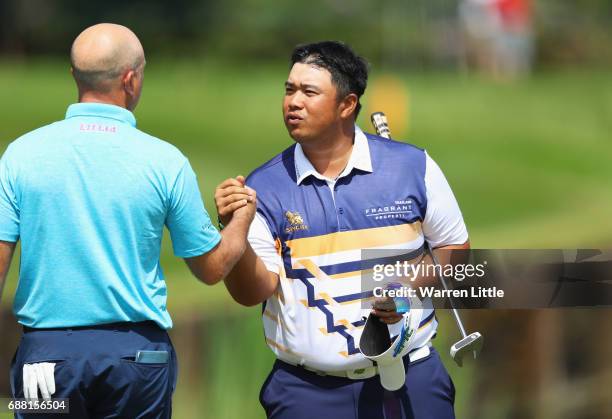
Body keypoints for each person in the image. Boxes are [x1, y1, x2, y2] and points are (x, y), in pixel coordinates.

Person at [0, 23, 255, 418]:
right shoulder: (165, 160)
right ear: (131, 79)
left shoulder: (19, 155)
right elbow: (212, 268)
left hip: (44, 357)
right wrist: (240, 219)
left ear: (74, 76)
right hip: (137, 357)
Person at [215, 41, 469, 418]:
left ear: (347, 105)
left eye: (309, 92)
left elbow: (454, 249)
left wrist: (405, 292)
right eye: (289, 90)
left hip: (409, 378)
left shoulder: (413, 166)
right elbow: (252, 293)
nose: (293, 102)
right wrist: (234, 232)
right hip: (305, 393)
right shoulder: (263, 187)